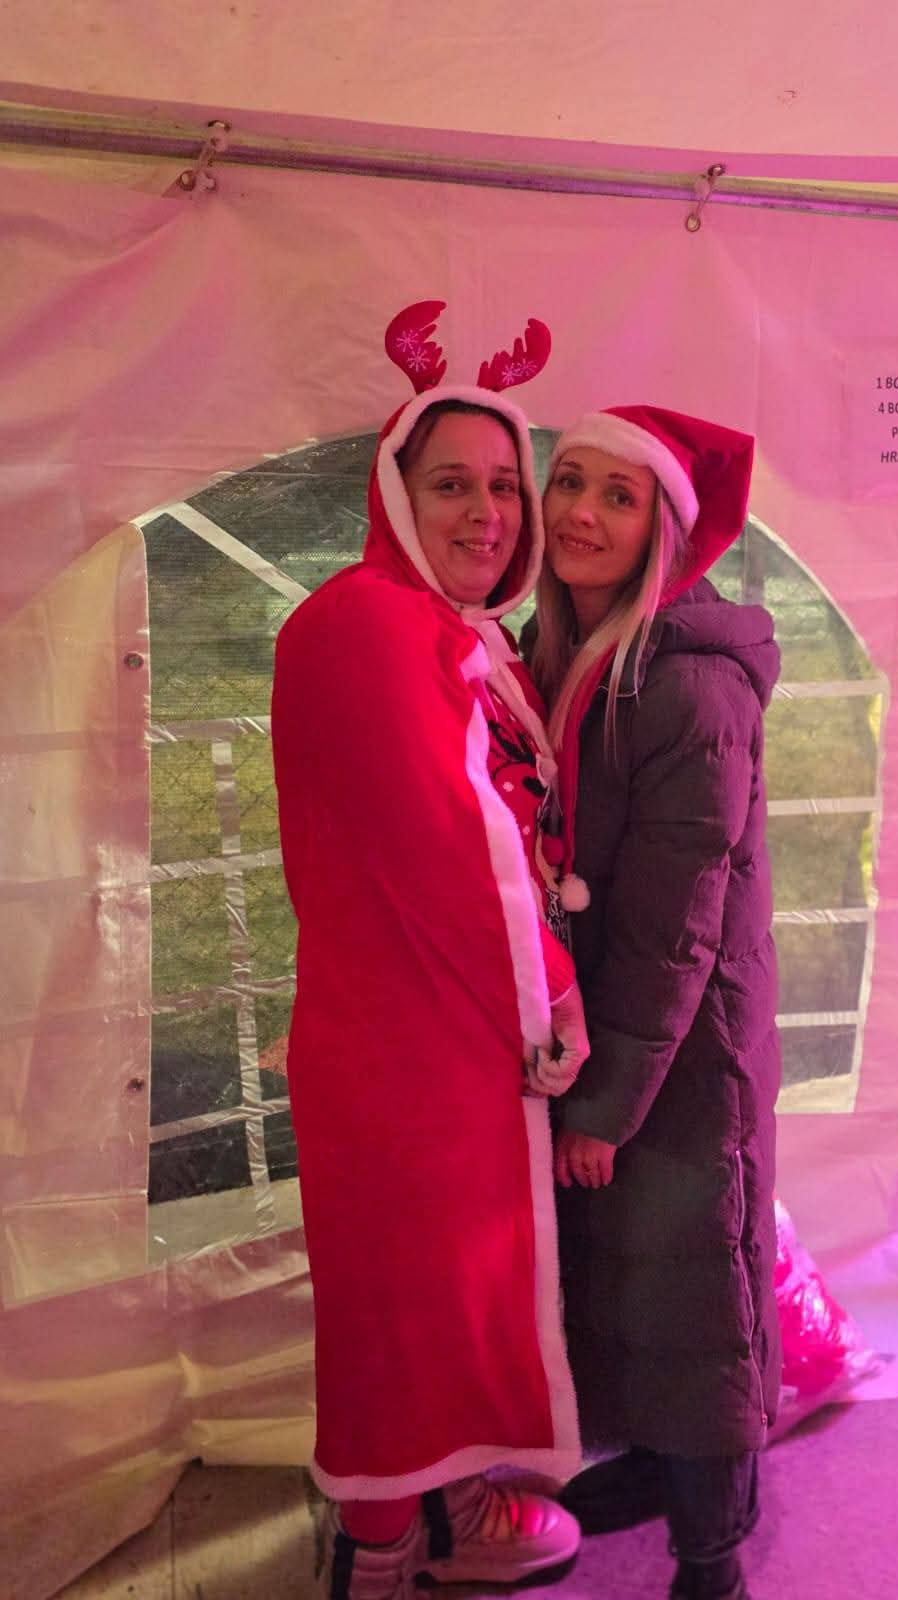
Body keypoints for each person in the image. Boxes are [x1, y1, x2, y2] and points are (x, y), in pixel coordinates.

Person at [271, 308, 587, 1600]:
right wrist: (556, 994)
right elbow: (458, 849)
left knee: (440, 1296)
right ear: (394, 493)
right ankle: (385, 1547)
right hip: (409, 1046)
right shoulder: (369, 624)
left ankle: (443, 1505)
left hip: (438, 1033)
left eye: (506, 486)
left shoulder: (451, 634)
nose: (490, 513)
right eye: (453, 484)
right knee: (402, 1309)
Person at [528, 407, 783, 1600]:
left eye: (618, 497)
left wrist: (607, 1103)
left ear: (663, 533)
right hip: (610, 1034)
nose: (580, 512)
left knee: (694, 1282)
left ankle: (713, 1551)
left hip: (684, 1049)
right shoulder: (559, 648)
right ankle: (648, 1457)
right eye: (568, 481)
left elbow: (675, 928)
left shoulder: (690, 688)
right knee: (618, 1269)